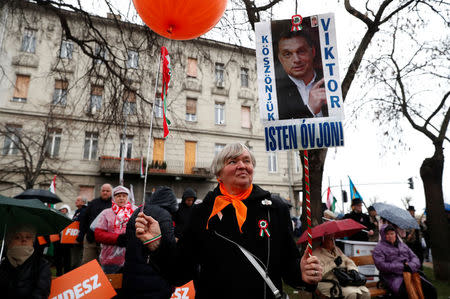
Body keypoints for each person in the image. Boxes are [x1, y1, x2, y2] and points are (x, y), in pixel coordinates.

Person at [135, 143, 323, 299]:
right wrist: (157, 244)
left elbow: (288, 264)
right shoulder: (201, 213)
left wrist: (302, 273)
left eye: (246, 161)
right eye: (233, 161)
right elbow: (179, 272)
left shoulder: (275, 208)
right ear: (219, 174)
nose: (242, 165)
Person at [122, 186, 178, 299]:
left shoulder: (138, 211)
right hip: (156, 278)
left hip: (131, 275)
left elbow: (126, 239)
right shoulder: (164, 215)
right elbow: (169, 247)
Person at [274, 29, 328, 120]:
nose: (296, 60)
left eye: (301, 51)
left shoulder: (329, 80)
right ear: (280, 59)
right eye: (287, 54)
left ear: (313, 52)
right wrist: (310, 110)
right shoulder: (274, 93)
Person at [372, 225, 436, 299]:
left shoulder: (402, 245)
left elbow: (415, 259)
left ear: (395, 234)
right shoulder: (379, 248)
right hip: (391, 277)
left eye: (392, 233)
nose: (390, 236)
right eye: (387, 234)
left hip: (410, 273)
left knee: (430, 289)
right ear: (383, 235)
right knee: (406, 292)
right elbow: (381, 265)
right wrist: (402, 267)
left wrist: (409, 266)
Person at [0, 225, 51, 298]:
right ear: (9, 242)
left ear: (32, 241)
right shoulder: (3, 264)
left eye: (28, 237)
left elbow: (40, 293)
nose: (24, 240)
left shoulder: (41, 265)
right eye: (17, 237)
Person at [94, 185, 136, 274]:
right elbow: (98, 234)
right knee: (111, 285)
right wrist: (117, 238)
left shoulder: (135, 211)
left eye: (124, 196)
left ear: (128, 197)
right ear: (113, 198)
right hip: (110, 259)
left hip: (132, 257)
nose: (121, 198)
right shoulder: (106, 213)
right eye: (118, 196)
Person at [313, 234, 370, 299]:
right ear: (323, 240)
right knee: (352, 294)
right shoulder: (316, 254)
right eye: (331, 239)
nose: (334, 241)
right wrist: (333, 264)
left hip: (343, 279)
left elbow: (348, 261)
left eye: (334, 239)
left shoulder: (337, 250)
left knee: (365, 293)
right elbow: (318, 274)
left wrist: (352, 270)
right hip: (328, 282)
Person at [77, 183, 113, 264]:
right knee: (87, 263)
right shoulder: (93, 203)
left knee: (104, 264)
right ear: (100, 192)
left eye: (107, 191)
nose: (105, 193)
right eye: (103, 191)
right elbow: (84, 219)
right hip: (90, 239)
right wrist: (82, 235)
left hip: (106, 241)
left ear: (111, 192)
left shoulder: (114, 205)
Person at [54, 205, 72, 275]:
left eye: (64, 209)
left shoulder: (70, 218)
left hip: (67, 242)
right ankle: (59, 272)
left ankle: (67, 273)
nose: (62, 210)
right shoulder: (56, 218)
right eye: (61, 209)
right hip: (58, 240)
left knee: (67, 258)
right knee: (58, 257)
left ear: (67, 210)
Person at [71, 196, 87, 269]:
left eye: (78, 200)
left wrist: (79, 239)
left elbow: (83, 226)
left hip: (79, 239)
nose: (76, 201)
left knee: (77, 259)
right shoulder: (77, 211)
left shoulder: (84, 211)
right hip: (73, 237)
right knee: (74, 258)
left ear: (83, 202)